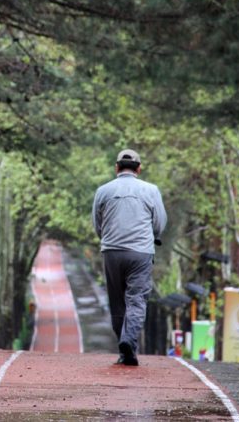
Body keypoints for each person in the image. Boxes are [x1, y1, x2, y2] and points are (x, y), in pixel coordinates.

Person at [92, 149, 167, 366]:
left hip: (111, 252)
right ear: (139, 168)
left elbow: (97, 223)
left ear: (116, 167)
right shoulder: (151, 190)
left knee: (117, 302)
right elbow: (159, 222)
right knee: (136, 299)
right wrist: (153, 237)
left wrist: (107, 239)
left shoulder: (103, 191)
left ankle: (125, 350)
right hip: (141, 253)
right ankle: (129, 341)